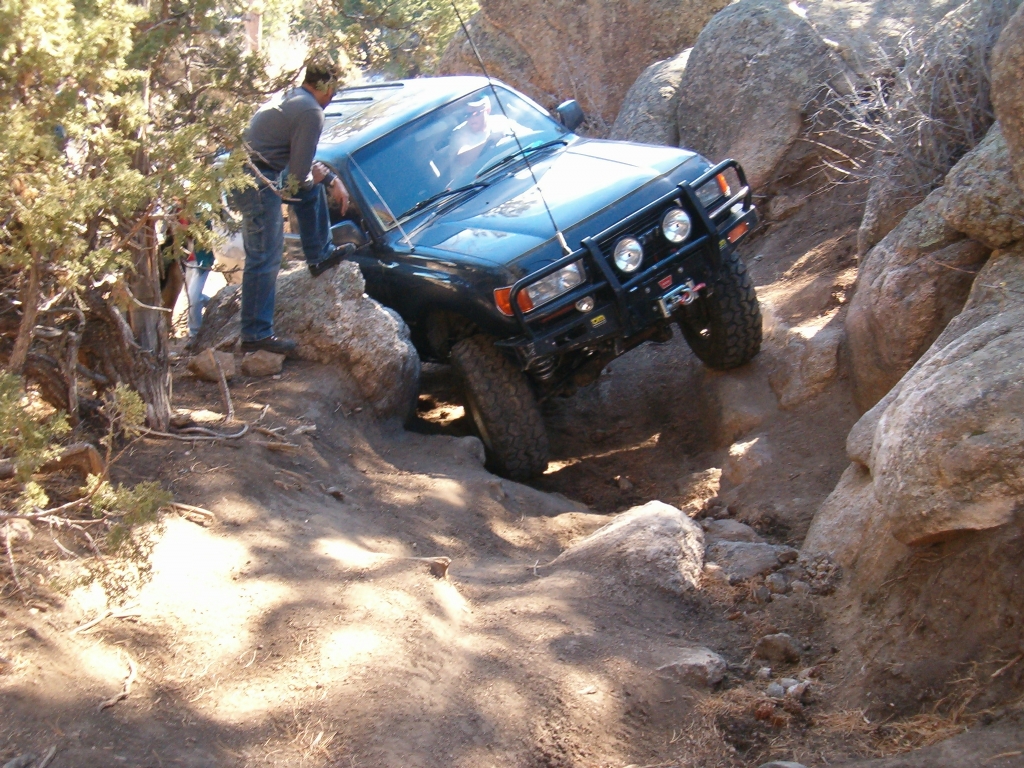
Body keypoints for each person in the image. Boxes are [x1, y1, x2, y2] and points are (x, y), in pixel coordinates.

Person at [231, 57, 353, 356]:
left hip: (255, 171)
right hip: (257, 177)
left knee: (310, 194)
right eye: (333, 89)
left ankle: (319, 255)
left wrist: (331, 179)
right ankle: (255, 334)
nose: (333, 97)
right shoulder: (311, 111)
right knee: (265, 256)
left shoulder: (293, 98)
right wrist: (317, 184)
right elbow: (299, 178)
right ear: (324, 86)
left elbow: (300, 163)